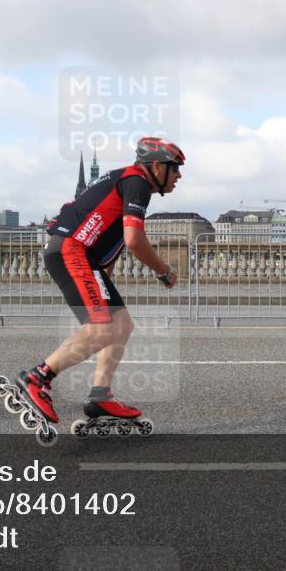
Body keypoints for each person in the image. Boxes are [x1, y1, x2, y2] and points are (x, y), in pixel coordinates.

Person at [15, 136, 184, 428]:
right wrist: (163, 270)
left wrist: (102, 279)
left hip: (78, 253)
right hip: (72, 252)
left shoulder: (125, 180)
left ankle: (101, 395)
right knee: (102, 328)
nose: (179, 175)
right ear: (157, 166)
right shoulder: (138, 184)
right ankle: (37, 377)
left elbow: (107, 230)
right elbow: (133, 240)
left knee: (120, 324)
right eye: (175, 167)